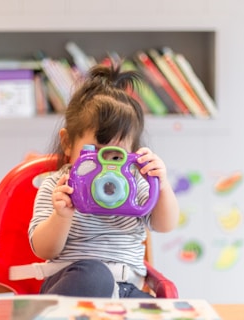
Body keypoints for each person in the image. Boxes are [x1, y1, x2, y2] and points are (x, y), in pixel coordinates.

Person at [28, 62, 179, 298]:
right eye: (95, 152)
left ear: (133, 153)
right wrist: (61, 216)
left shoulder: (134, 183)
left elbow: (165, 225)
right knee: (95, 276)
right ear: (68, 143)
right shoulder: (58, 186)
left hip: (127, 289)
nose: (105, 166)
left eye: (116, 155)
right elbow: (43, 249)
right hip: (75, 284)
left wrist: (162, 184)